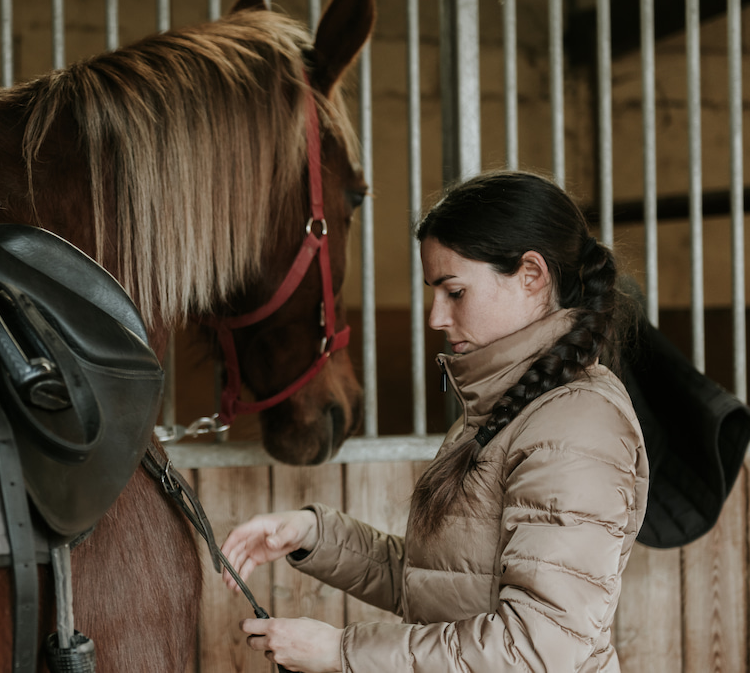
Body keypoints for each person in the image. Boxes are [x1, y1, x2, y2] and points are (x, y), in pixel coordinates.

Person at [220, 171, 650, 673]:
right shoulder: (506, 407)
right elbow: (444, 582)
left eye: (455, 292)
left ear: (531, 275)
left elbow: (538, 648)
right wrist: (313, 534)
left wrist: (340, 651)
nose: (436, 318)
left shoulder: (576, 428)